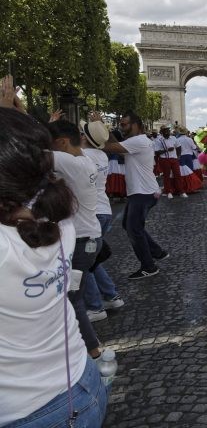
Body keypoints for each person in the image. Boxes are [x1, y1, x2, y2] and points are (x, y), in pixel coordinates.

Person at [0, 81, 109, 427]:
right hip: (79, 382)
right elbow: (34, 152)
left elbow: (35, 151)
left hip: (34, 413)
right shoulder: (61, 227)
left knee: (78, 295)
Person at [47, 118, 105, 359]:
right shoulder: (84, 160)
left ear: (61, 142)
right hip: (88, 239)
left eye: (51, 143)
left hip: (80, 243)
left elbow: (23, 151)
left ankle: (93, 352)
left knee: (71, 299)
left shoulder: (68, 162)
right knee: (73, 297)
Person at [101, 111, 170, 279]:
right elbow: (116, 146)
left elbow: (110, 147)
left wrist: (100, 127)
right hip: (142, 191)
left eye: (124, 124)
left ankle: (149, 266)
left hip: (142, 192)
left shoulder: (137, 141)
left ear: (136, 125)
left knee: (134, 230)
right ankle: (157, 252)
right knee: (129, 226)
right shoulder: (137, 141)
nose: (121, 127)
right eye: (121, 125)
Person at [81, 119, 125, 323]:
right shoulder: (101, 155)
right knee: (92, 259)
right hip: (104, 210)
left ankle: (95, 307)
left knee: (83, 262)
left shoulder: (83, 156)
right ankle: (111, 296)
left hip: (90, 213)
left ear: (85, 138)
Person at [154, 125, 186, 199]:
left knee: (177, 175)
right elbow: (157, 152)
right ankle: (168, 192)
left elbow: (178, 147)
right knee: (166, 176)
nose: (167, 132)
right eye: (165, 130)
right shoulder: (159, 140)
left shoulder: (174, 138)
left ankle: (181, 191)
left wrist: (178, 156)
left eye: (168, 130)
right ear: (162, 132)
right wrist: (167, 150)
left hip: (174, 159)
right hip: (164, 159)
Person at [176, 127, 203, 194]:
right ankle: (190, 187)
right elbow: (194, 147)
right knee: (190, 172)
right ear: (185, 132)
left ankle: (183, 187)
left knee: (182, 173)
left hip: (181, 157)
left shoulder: (177, 139)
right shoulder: (189, 139)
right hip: (189, 157)